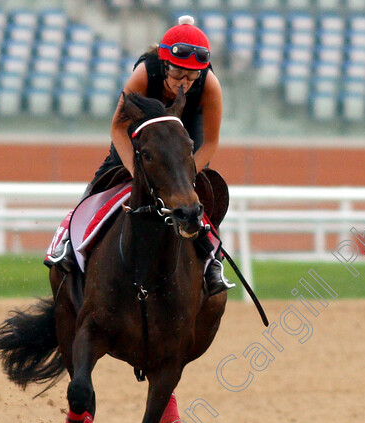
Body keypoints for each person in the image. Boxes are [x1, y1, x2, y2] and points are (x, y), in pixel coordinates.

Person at [49, 14, 234, 296]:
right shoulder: (145, 73)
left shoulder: (209, 85)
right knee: (104, 180)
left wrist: (181, 175)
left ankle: (211, 260)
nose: (184, 83)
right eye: (177, 73)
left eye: (192, 75)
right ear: (164, 63)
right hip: (138, 128)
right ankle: (69, 242)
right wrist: (139, 175)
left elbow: (210, 143)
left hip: (184, 132)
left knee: (196, 193)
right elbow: (117, 127)